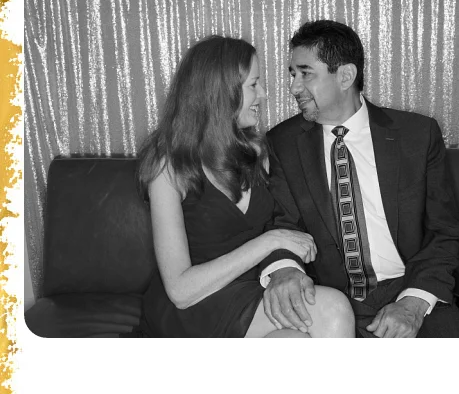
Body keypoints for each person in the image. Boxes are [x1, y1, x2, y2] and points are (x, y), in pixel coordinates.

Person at [139, 36, 356, 339]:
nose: (263, 94)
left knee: (294, 341)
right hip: (196, 305)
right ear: (221, 93)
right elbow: (180, 290)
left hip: (252, 291)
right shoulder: (168, 166)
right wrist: (269, 241)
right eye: (254, 85)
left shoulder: (258, 150)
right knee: (333, 309)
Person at [261, 20, 459, 338]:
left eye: (305, 74)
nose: (294, 88)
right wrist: (284, 268)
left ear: (345, 76)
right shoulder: (283, 142)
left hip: (411, 289)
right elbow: (280, 222)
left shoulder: (417, 135)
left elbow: (444, 231)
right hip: (328, 299)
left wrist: (414, 302)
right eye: (292, 74)